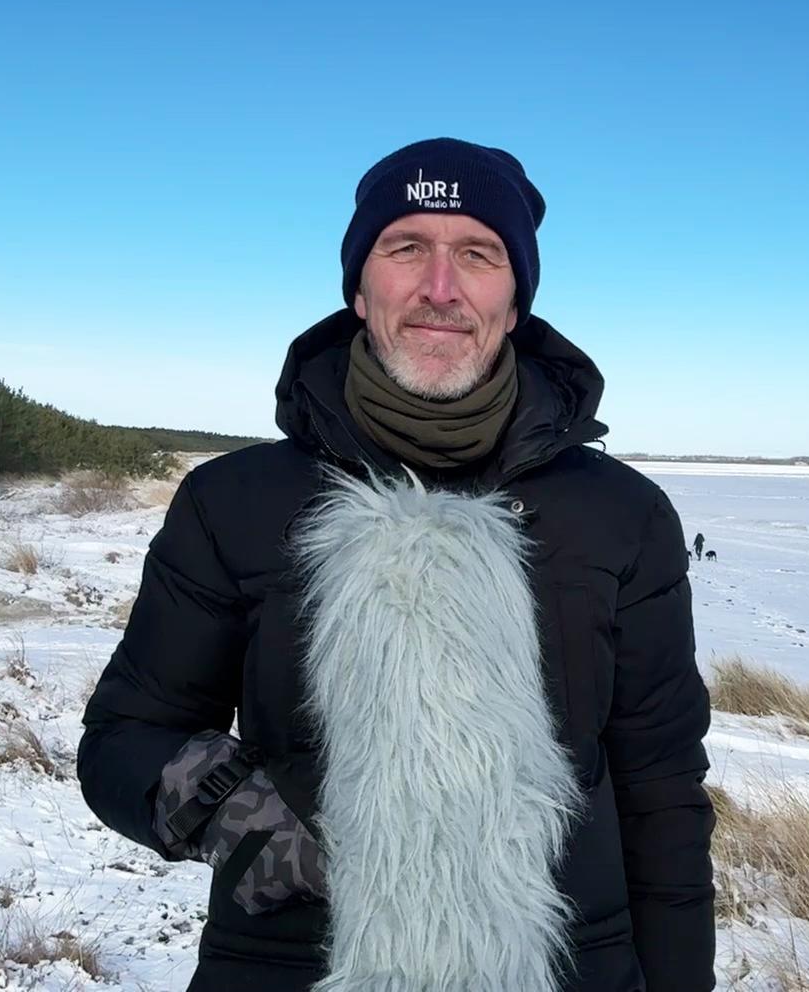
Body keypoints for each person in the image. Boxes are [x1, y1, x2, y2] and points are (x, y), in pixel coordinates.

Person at [78, 138, 716, 992]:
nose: (440, 289)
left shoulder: (620, 515)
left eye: (477, 255)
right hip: (289, 968)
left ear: (515, 298)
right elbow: (124, 738)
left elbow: (663, 791)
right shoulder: (233, 502)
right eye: (406, 247)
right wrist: (236, 813)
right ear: (358, 286)